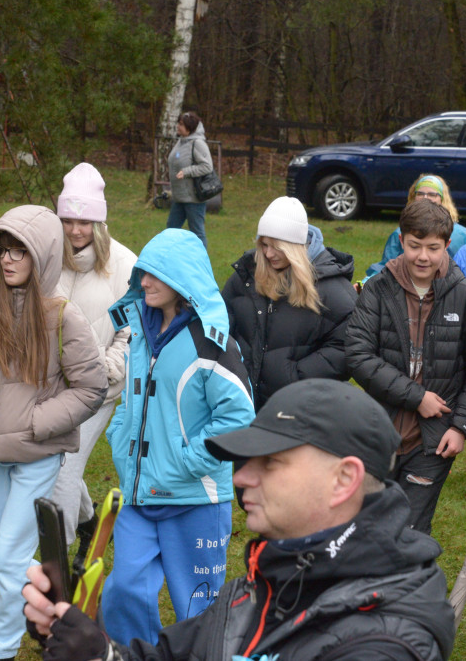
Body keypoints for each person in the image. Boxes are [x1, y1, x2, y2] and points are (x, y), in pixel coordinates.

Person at [23, 379, 456, 660]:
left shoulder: (382, 644)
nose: (242, 478)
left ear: (344, 480)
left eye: (270, 463)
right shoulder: (262, 582)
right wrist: (91, 645)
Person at [0, 204, 108, 661]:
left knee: (9, 558)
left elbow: (92, 387)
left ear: (43, 257)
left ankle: (2, 649)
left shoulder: (64, 318)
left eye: (20, 251)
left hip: (36, 455)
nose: (8, 259)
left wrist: (37, 423)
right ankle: (59, 599)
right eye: (2, 250)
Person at [98, 228, 255, 646]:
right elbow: (133, 397)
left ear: (182, 280)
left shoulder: (211, 342)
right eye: (142, 273)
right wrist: (120, 436)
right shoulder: (138, 329)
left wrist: (188, 461)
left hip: (195, 499)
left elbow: (239, 414)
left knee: (198, 608)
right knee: (123, 590)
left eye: (156, 274)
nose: (144, 282)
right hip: (139, 494)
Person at [345, 199, 466, 535]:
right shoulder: (377, 289)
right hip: (378, 431)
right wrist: (416, 397)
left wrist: (461, 426)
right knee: (367, 528)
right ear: (401, 241)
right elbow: (358, 353)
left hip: (434, 439)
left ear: (447, 245)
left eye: (433, 248)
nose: (423, 256)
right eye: (415, 246)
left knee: (409, 531)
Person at [50, 163, 138, 544]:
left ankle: (57, 555)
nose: (75, 230)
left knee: (62, 467)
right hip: (51, 386)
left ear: (99, 223)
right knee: (48, 459)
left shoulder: (125, 266)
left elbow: (131, 336)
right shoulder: (48, 257)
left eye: (84, 221)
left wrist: (102, 370)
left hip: (98, 390)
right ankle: (88, 521)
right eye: (68, 220)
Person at [222, 196, 357, 410]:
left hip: (298, 412)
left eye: (277, 247)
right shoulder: (246, 277)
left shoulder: (333, 290)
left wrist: (296, 377)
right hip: (241, 406)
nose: (268, 254)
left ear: (295, 246)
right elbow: (222, 324)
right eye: (264, 244)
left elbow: (347, 346)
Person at [360, 174, 466, 284]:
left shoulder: (462, 235)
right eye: (420, 193)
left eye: (432, 194)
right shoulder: (401, 232)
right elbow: (386, 267)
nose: (425, 198)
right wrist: (366, 282)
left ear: (442, 199)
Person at [165, 111, 214, 249]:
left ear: (190, 127)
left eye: (181, 124)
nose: (178, 126)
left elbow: (207, 166)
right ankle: (169, 256)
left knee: (197, 232)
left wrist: (187, 172)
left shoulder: (198, 143)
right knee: (171, 229)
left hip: (194, 198)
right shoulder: (181, 141)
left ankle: (202, 259)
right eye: (178, 123)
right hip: (179, 197)